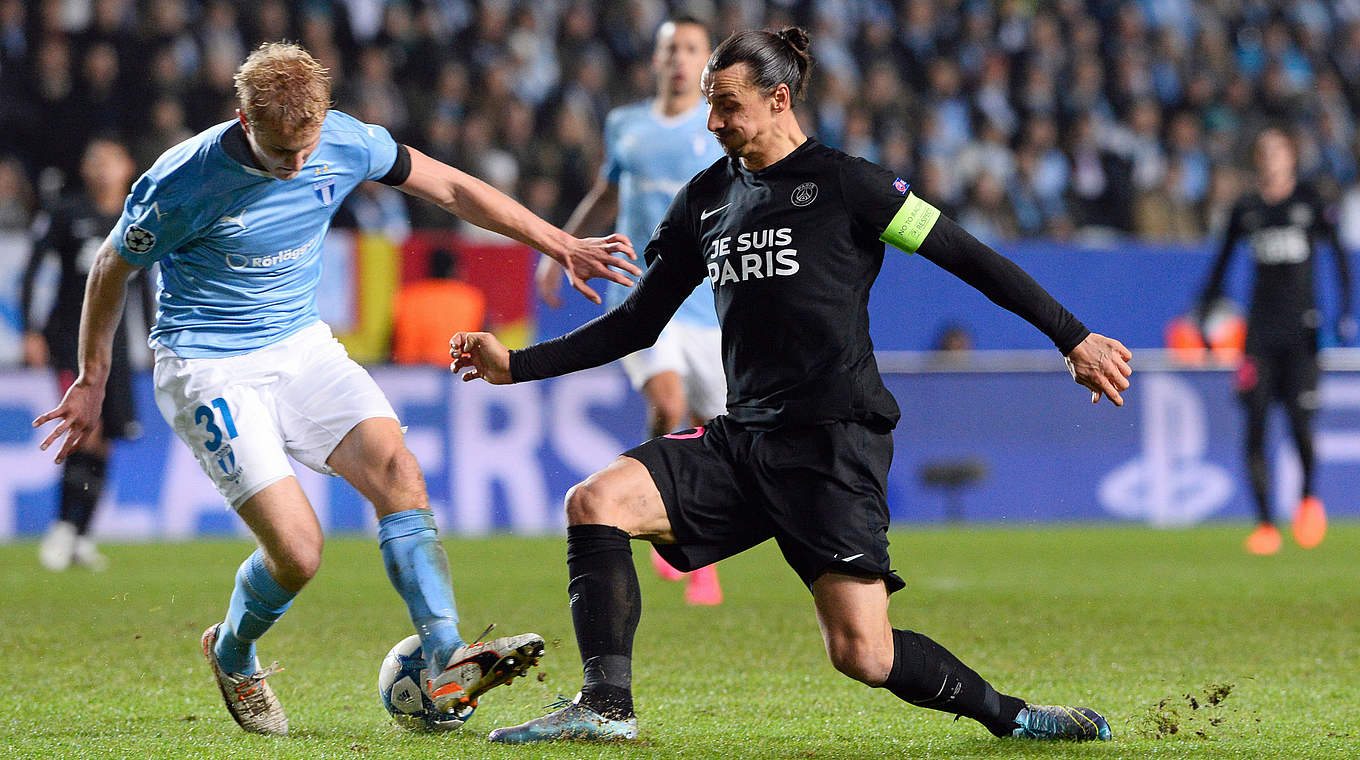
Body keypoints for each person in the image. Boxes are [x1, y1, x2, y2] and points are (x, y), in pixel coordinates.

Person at [452, 28, 1131, 744]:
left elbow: (967, 256)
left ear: (779, 100)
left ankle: (1013, 716)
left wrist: (1073, 336)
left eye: (728, 106)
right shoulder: (706, 198)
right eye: (711, 106)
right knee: (594, 502)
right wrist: (515, 364)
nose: (712, 122)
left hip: (831, 443)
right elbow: (636, 325)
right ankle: (604, 707)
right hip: (741, 439)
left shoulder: (851, 184)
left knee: (863, 654)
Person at [31, 42, 640, 736]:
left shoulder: (345, 138)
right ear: (242, 119)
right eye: (279, 150)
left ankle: (446, 654)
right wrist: (91, 378)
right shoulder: (183, 181)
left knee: (398, 471)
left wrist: (556, 241)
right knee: (299, 553)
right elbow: (111, 266)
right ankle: (232, 652)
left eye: (307, 146)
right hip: (207, 363)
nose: (297, 164)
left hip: (300, 345)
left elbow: (451, 187)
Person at [536, 16, 726, 606]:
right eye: (670, 48)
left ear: (706, 63)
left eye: (690, 49)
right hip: (641, 297)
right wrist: (556, 251)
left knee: (720, 432)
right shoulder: (626, 125)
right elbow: (608, 194)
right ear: (655, 60)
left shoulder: (721, 127)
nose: (678, 59)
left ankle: (693, 546)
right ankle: (651, 512)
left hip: (711, 306)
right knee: (668, 404)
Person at [1197, 127, 1353, 555]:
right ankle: (1266, 525)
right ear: (1256, 159)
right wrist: (1204, 309)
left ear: (1291, 155)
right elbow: (1221, 264)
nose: (1271, 158)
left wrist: (1344, 310)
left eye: (1278, 150)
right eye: (1263, 151)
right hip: (1259, 337)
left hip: (1302, 334)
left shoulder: (1310, 201)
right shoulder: (1246, 209)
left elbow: (1339, 255)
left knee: (1301, 426)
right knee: (1254, 428)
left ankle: (1306, 500)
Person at [21, 137, 151, 572]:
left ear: (127, 166)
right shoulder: (66, 213)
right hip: (67, 343)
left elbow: (145, 287)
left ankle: (81, 536)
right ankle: (60, 528)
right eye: (93, 161)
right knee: (86, 431)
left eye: (109, 161)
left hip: (114, 347)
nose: (101, 169)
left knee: (107, 442)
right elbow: (33, 270)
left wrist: (154, 338)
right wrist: (31, 330)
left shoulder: (136, 220)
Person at [391, 248, 486, 366]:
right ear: (455, 269)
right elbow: (484, 341)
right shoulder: (470, 298)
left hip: (411, 372)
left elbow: (393, 339)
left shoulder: (408, 296)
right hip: (458, 369)